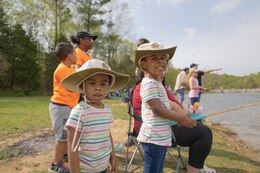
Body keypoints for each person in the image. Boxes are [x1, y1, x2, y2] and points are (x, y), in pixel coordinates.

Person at [135, 42, 197, 173]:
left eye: (163, 58)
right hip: (153, 139)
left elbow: (166, 106)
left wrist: (183, 116)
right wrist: (181, 118)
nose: (161, 61)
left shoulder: (157, 83)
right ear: (144, 65)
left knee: (158, 169)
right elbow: (157, 109)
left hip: (161, 138)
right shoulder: (149, 84)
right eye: (154, 58)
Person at [62, 59, 130, 173]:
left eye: (103, 84)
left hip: (102, 167)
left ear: (109, 87)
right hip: (84, 170)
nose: (98, 88)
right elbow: (72, 149)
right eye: (92, 83)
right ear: (83, 86)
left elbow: (107, 134)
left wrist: (113, 157)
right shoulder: (79, 112)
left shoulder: (107, 110)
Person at [48, 42, 80, 173]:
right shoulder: (62, 69)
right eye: (75, 53)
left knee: (66, 136)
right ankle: (55, 165)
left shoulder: (69, 68)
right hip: (61, 107)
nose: (76, 55)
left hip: (66, 106)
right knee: (62, 137)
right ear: (69, 56)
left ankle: (61, 160)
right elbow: (76, 82)